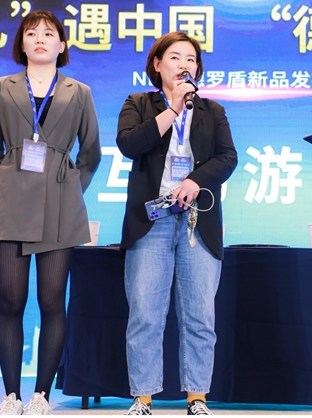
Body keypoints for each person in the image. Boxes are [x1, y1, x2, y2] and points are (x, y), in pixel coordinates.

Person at [0, 10, 101, 416]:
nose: (40, 39)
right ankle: (11, 396)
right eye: (31, 33)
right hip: (11, 204)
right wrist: (12, 178)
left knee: (52, 301)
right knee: (10, 300)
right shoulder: (1, 87)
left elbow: (91, 152)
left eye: (49, 34)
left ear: (61, 45)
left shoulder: (78, 91)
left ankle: (41, 396)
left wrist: (68, 189)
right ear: (22, 44)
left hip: (61, 206)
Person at [116, 31, 237, 416]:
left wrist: (196, 180)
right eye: (175, 57)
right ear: (157, 64)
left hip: (197, 222)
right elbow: (129, 144)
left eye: (191, 59)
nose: (184, 65)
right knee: (145, 314)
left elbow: (228, 157)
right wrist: (171, 109)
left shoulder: (212, 111)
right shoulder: (138, 103)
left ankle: (197, 397)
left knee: (200, 315)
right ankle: (143, 398)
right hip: (150, 221)